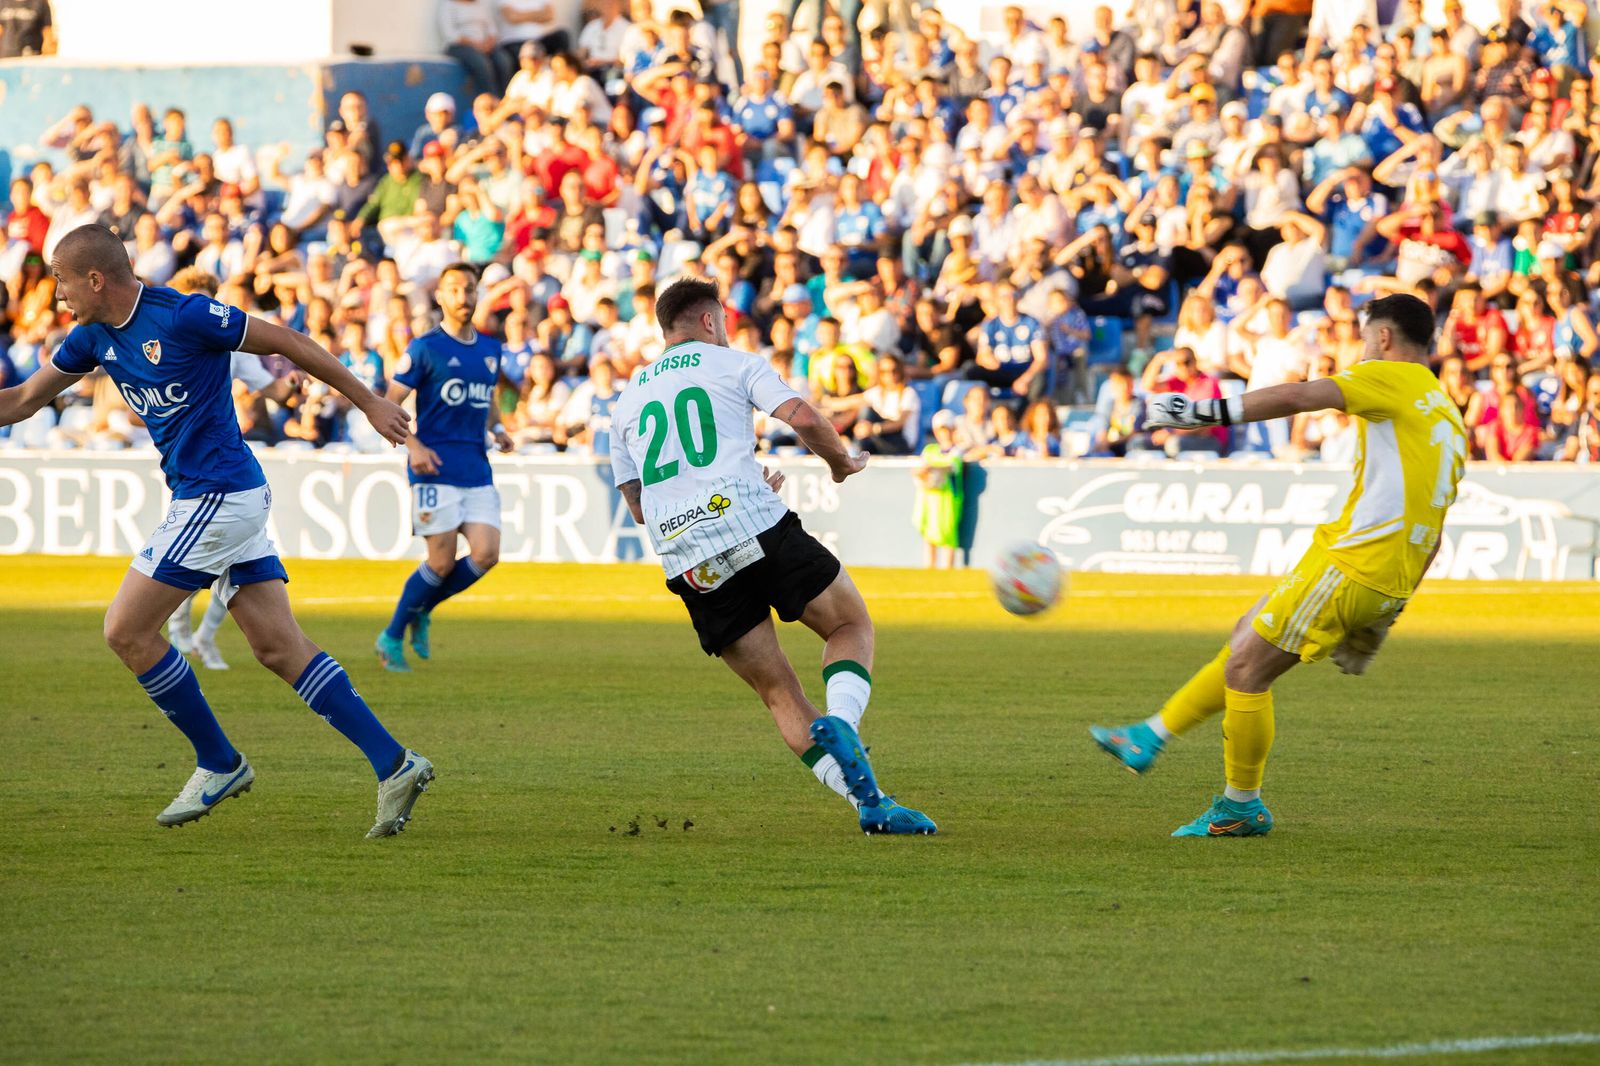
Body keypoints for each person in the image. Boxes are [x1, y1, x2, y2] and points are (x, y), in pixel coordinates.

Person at [0, 225, 432, 837]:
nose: (57, 292)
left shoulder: (186, 315)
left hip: (218, 496)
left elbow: (287, 340)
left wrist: (366, 401)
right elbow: (19, 401)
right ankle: (395, 763)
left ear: (94, 278)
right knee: (278, 648)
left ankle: (219, 762)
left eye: (63, 279)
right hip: (218, 498)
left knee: (126, 630)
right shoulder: (92, 338)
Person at [1090, 295, 1468, 836]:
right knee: (1249, 632)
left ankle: (1240, 806)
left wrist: (1202, 413)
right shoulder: (1447, 415)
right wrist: (1385, 615)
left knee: (1247, 670)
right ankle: (1148, 734)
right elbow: (1435, 526)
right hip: (1382, 572)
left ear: (1383, 339)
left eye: (1364, 339)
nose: (1360, 350)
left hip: (1350, 563)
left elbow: (1298, 395)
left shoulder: (1388, 375)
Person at [610, 276, 935, 836]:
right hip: (753, 523)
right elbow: (804, 417)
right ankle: (844, 721)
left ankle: (871, 805)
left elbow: (639, 505)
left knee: (779, 691)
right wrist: (839, 464)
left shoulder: (627, 401)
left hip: (688, 557)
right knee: (850, 624)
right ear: (710, 320)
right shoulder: (734, 363)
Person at [162, 266, 306, 672]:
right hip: (188, 471)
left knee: (227, 564)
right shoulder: (166, 343)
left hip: (227, 471)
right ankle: (180, 631)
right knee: (193, 564)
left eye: (212, 296)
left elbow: (272, 389)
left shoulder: (230, 348)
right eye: (198, 297)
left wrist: (291, 385)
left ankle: (202, 638)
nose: (208, 305)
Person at [376, 263, 514, 672]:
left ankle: (420, 609)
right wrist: (413, 445)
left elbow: (486, 399)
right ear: (440, 297)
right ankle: (392, 634)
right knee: (440, 562)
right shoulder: (424, 348)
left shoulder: (490, 349)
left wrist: (499, 428)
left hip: (476, 465)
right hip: (434, 467)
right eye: (454, 289)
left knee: (487, 554)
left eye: (469, 289)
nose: (463, 297)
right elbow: (389, 404)